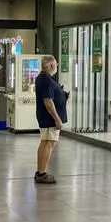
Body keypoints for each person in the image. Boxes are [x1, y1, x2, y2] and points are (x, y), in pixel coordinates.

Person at [34, 55, 68, 184]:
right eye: (56, 64)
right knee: (49, 143)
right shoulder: (46, 80)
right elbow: (48, 102)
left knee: (45, 142)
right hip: (49, 119)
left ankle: (40, 171)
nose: (57, 66)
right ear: (52, 65)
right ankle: (42, 173)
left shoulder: (43, 78)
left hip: (46, 117)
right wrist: (57, 119)